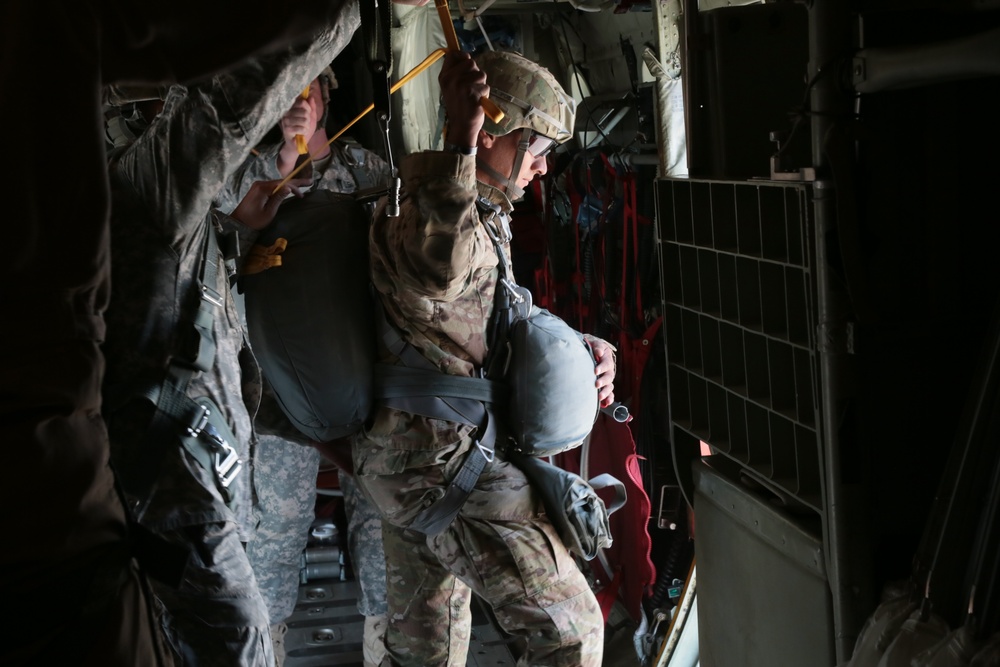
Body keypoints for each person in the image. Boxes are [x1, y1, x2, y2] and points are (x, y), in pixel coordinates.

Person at [0, 3, 363, 665]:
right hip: (171, 502)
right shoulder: (153, 206)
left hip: (162, 491)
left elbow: (209, 360)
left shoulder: (158, 225)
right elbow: (228, 110)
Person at [354, 49, 617, 667]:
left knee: (427, 651)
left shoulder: (481, 216)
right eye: (538, 148)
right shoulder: (430, 211)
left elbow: (482, 319)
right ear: (494, 134)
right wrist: (458, 136)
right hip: (443, 467)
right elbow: (438, 270)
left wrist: (580, 348)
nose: (544, 169)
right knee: (572, 634)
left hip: (419, 461)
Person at [216, 67, 394, 667]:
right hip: (274, 398)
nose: (299, 101)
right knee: (270, 545)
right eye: (287, 90)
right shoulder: (243, 176)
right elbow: (224, 219)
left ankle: (385, 650)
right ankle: (265, 651)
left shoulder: (362, 172)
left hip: (364, 383)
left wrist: (309, 157)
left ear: (325, 96)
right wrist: (278, 159)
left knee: (383, 538)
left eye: (309, 89)